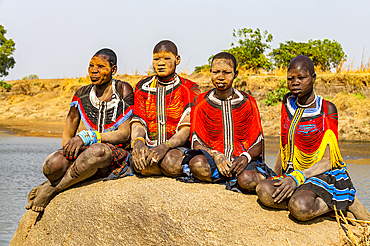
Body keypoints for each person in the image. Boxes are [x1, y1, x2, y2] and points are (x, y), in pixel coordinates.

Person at [256, 55, 370, 222]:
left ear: (313, 78)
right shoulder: (287, 102)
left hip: (321, 173)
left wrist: (297, 179)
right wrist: (277, 175)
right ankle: (324, 204)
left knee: (300, 207)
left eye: (301, 77)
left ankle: (343, 201)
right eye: (290, 78)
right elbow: (285, 144)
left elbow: (328, 160)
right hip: (293, 171)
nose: (295, 82)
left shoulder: (326, 109)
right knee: (263, 191)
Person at [26, 48, 134, 212]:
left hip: (113, 153)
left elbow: (124, 134)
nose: (94, 70)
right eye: (91, 65)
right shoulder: (82, 93)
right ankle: (51, 181)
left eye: (101, 66)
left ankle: (52, 189)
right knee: (51, 165)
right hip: (87, 152)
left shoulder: (122, 89)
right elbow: (69, 129)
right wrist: (67, 152)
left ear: (114, 70)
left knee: (96, 151)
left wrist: (90, 137)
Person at [179, 52, 274, 191]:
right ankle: (228, 177)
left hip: (242, 163)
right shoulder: (201, 103)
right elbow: (196, 141)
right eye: (216, 72)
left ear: (235, 74)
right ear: (210, 72)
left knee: (248, 179)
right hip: (214, 162)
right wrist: (216, 155)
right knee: (197, 164)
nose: (220, 77)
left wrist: (245, 157)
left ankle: (238, 177)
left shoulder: (248, 102)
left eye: (226, 72)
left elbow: (258, 140)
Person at [130, 40, 200, 177]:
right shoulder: (142, 87)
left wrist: (165, 146)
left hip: (177, 146)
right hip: (149, 143)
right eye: (156, 59)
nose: (160, 63)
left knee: (171, 162)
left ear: (177, 59)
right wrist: (138, 142)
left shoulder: (189, 88)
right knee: (140, 162)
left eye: (167, 58)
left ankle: (165, 167)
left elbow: (186, 128)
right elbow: (138, 120)